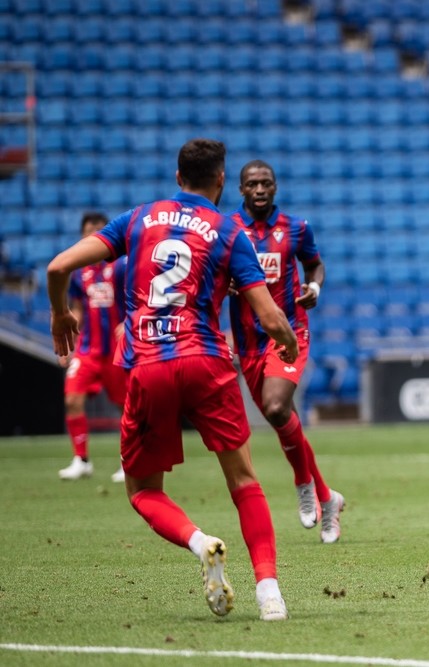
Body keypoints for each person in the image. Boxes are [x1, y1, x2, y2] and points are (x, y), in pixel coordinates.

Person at [47, 138, 300, 620]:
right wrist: (287, 342)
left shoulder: (139, 218)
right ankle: (270, 594)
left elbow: (58, 266)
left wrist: (61, 314)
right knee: (244, 480)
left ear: (178, 177)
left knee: (143, 491)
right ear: (222, 180)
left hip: (148, 364)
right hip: (206, 361)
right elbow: (269, 317)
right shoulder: (228, 230)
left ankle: (200, 541)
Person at [227, 159, 344, 544]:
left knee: (277, 408)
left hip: (288, 333)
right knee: (283, 421)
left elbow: (315, 265)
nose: (259, 190)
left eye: (266, 183)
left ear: (274, 187)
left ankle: (303, 483)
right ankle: (328, 498)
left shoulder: (296, 228)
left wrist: (315, 288)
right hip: (248, 344)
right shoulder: (228, 231)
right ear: (241, 189)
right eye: (252, 184)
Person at [58, 212, 129, 483]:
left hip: (117, 350)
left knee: (126, 408)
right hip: (88, 350)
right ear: (82, 236)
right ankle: (81, 460)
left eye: (100, 230)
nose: (94, 235)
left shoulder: (121, 267)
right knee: (72, 398)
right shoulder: (79, 273)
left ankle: (127, 462)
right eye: (90, 230)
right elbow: (77, 311)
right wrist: (69, 345)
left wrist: (130, 323)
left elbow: (137, 299)